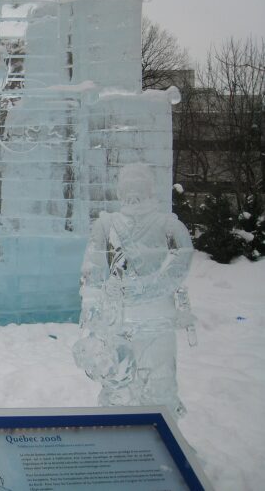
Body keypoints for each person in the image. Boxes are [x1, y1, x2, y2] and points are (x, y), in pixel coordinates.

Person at [73, 163, 194, 416]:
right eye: (128, 183)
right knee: (118, 388)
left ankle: (164, 441)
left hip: (157, 319)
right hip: (119, 321)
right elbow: (93, 269)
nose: (133, 188)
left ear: (150, 188)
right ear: (119, 190)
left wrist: (148, 288)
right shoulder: (106, 225)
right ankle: (120, 437)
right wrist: (92, 307)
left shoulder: (169, 225)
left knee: (160, 386)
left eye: (139, 182)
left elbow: (181, 261)